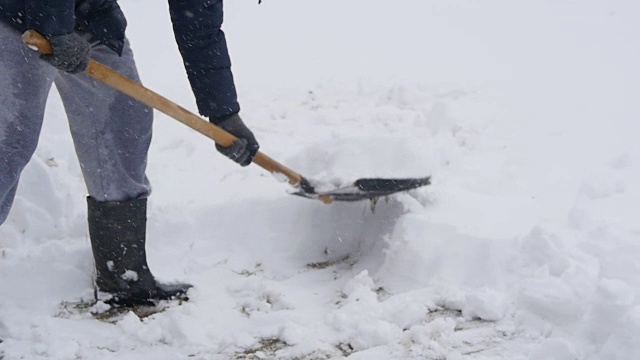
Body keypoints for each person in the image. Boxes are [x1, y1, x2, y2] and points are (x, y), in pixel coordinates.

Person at [0, 0, 260, 306]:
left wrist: (223, 113)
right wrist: (55, 27)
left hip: (89, 14)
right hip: (17, 11)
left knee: (125, 123)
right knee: (10, 140)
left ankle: (124, 275)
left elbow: (199, 25)